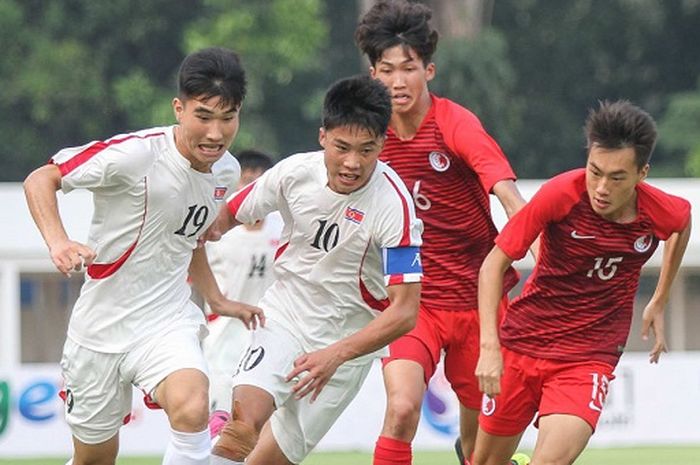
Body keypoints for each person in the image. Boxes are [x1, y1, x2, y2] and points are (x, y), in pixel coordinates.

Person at [23, 47, 264, 465]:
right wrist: (59, 242)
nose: (216, 132)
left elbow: (188, 239)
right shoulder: (136, 154)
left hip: (166, 320)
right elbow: (41, 178)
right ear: (179, 108)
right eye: (203, 116)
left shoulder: (225, 172)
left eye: (228, 118)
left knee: (193, 406)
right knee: (96, 458)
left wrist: (218, 300)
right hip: (100, 330)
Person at [208, 74, 424, 465]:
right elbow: (224, 218)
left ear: (383, 144)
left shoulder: (395, 207)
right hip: (284, 319)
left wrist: (336, 354)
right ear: (323, 136)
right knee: (241, 427)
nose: (352, 163)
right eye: (342, 147)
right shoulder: (293, 174)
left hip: (345, 347)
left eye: (366, 150)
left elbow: (405, 311)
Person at [354, 2, 533, 464]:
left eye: (408, 69)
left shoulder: (456, 124)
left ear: (428, 70)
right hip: (412, 300)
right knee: (401, 409)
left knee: (479, 450)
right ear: (372, 74)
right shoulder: (369, 137)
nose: (398, 82)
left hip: (480, 301)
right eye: (387, 70)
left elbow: (503, 188)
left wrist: (526, 225)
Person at [473, 100, 692, 465]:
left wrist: (659, 298)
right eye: (595, 171)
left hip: (588, 356)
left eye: (617, 177)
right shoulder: (560, 194)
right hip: (523, 343)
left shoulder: (661, 210)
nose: (601, 187)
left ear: (643, 174)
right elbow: (492, 266)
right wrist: (489, 347)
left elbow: (681, 226)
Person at [203, 149, 282, 413]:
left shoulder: (283, 229)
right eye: (247, 180)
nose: (253, 191)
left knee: (262, 419)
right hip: (224, 333)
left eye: (260, 182)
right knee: (220, 417)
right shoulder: (215, 231)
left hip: (269, 331)